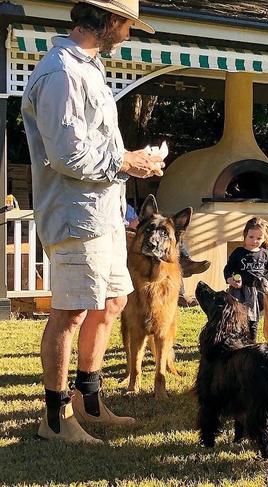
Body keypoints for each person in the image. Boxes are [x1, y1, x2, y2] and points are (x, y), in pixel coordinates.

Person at [21, 0, 164, 444]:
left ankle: (89, 399)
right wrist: (128, 161)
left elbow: (91, 147)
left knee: (113, 302)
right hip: (73, 215)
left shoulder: (89, 68)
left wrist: (129, 172)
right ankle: (55, 417)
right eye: (127, 25)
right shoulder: (61, 73)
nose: (129, 33)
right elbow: (68, 155)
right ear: (108, 21)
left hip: (101, 214)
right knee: (70, 311)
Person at [124, 202, 210, 306]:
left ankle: (184, 263)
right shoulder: (111, 204)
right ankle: (185, 264)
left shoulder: (126, 206)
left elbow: (136, 221)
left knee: (171, 239)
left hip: (137, 233)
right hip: (127, 236)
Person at [224, 217, 268, 340]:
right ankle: (234, 339)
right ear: (245, 235)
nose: (254, 241)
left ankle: (251, 341)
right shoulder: (238, 252)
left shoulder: (264, 254)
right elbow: (228, 268)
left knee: (253, 318)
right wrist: (230, 279)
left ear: (264, 238)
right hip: (240, 290)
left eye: (259, 238)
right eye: (251, 237)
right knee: (237, 316)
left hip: (257, 292)